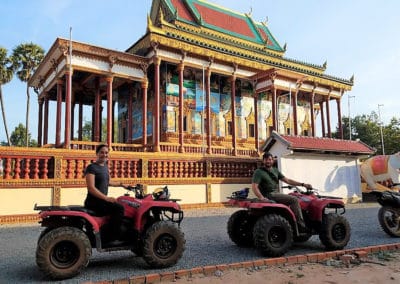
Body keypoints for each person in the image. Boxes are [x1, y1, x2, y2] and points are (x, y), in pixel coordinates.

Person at [251, 152, 312, 230]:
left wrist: (303, 184)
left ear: (272, 160)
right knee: (294, 200)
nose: (268, 161)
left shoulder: (275, 170)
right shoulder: (259, 172)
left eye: (270, 159)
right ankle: (300, 224)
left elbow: (288, 180)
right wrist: (261, 197)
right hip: (269, 195)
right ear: (263, 161)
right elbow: (254, 187)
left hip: (276, 194)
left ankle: (289, 221)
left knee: (290, 198)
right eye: (266, 159)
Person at [84, 144, 126, 245]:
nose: (104, 154)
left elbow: (108, 182)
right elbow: (91, 188)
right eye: (102, 152)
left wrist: (122, 184)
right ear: (97, 154)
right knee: (119, 208)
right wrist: (106, 198)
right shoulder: (91, 168)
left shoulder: (105, 167)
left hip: (102, 201)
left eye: (106, 153)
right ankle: (110, 238)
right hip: (94, 202)